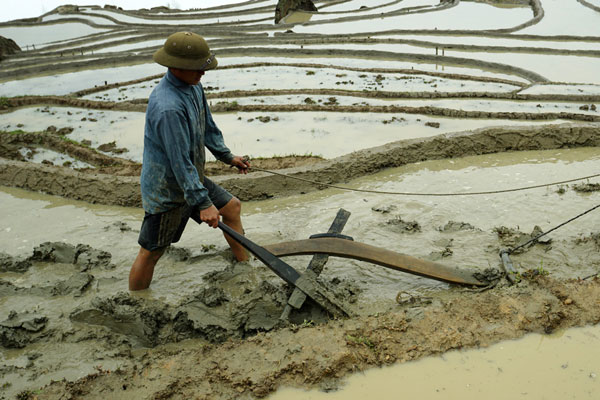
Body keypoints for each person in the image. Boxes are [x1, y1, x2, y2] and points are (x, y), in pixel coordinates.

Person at [129, 31, 250, 291]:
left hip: (190, 178)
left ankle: (245, 267)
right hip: (168, 190)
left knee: (232, 208)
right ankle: (136, 301)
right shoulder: (168, 107)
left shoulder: (193, 86)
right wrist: (204, 203)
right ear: (176, 66)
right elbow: (178, 161)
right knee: (151, 252)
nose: (202, 73)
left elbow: (206, 125)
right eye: (197, 68)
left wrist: (227, 156)